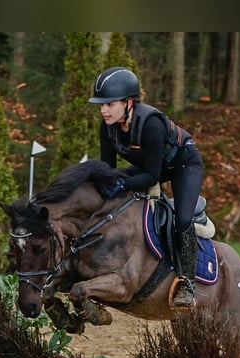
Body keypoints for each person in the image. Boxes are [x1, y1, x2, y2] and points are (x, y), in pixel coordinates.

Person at [88, 65, 206, 309]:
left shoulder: (151, 125)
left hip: (183, 165)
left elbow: (151, 178)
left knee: (182, 218)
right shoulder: (107, 127)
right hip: (151, 166)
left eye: (109, 104)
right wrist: (104, 185)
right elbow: (108, 169)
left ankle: (187, 283)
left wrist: (122, 183)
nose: (103, 110)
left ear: (128, 103)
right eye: (101, 105)